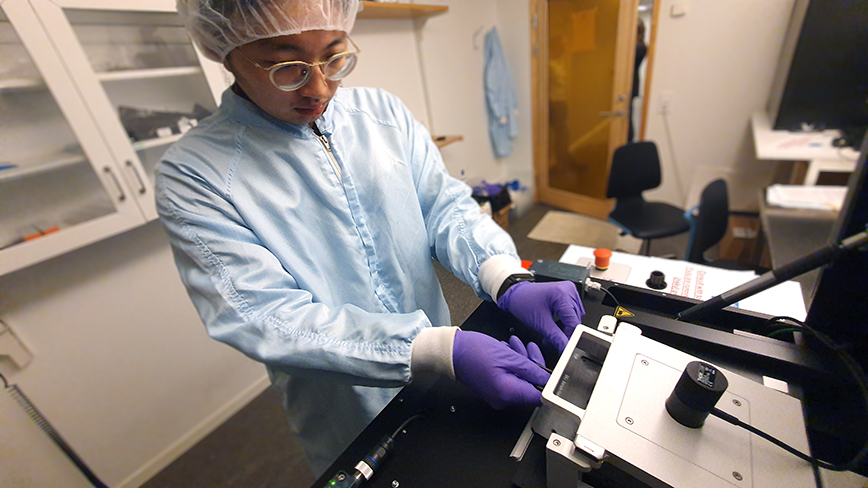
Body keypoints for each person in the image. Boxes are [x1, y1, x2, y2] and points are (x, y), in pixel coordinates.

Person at [157, 0, 585, 476]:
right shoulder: (196, 174)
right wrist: (433, 349)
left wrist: (507, 279)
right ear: (225, 51)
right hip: (344, 405)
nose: (319, 88)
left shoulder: (382, 114)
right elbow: (266, 316)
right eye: (286, 67)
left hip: (446, 368)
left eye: (334, 56)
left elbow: (444, 205)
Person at [629, 18, 647, 143]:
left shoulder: (640, 48)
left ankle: (628, 141)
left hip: (631, 83)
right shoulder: (637, 47)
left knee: (627, 116)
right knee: (627, 114)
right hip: (631, 83)